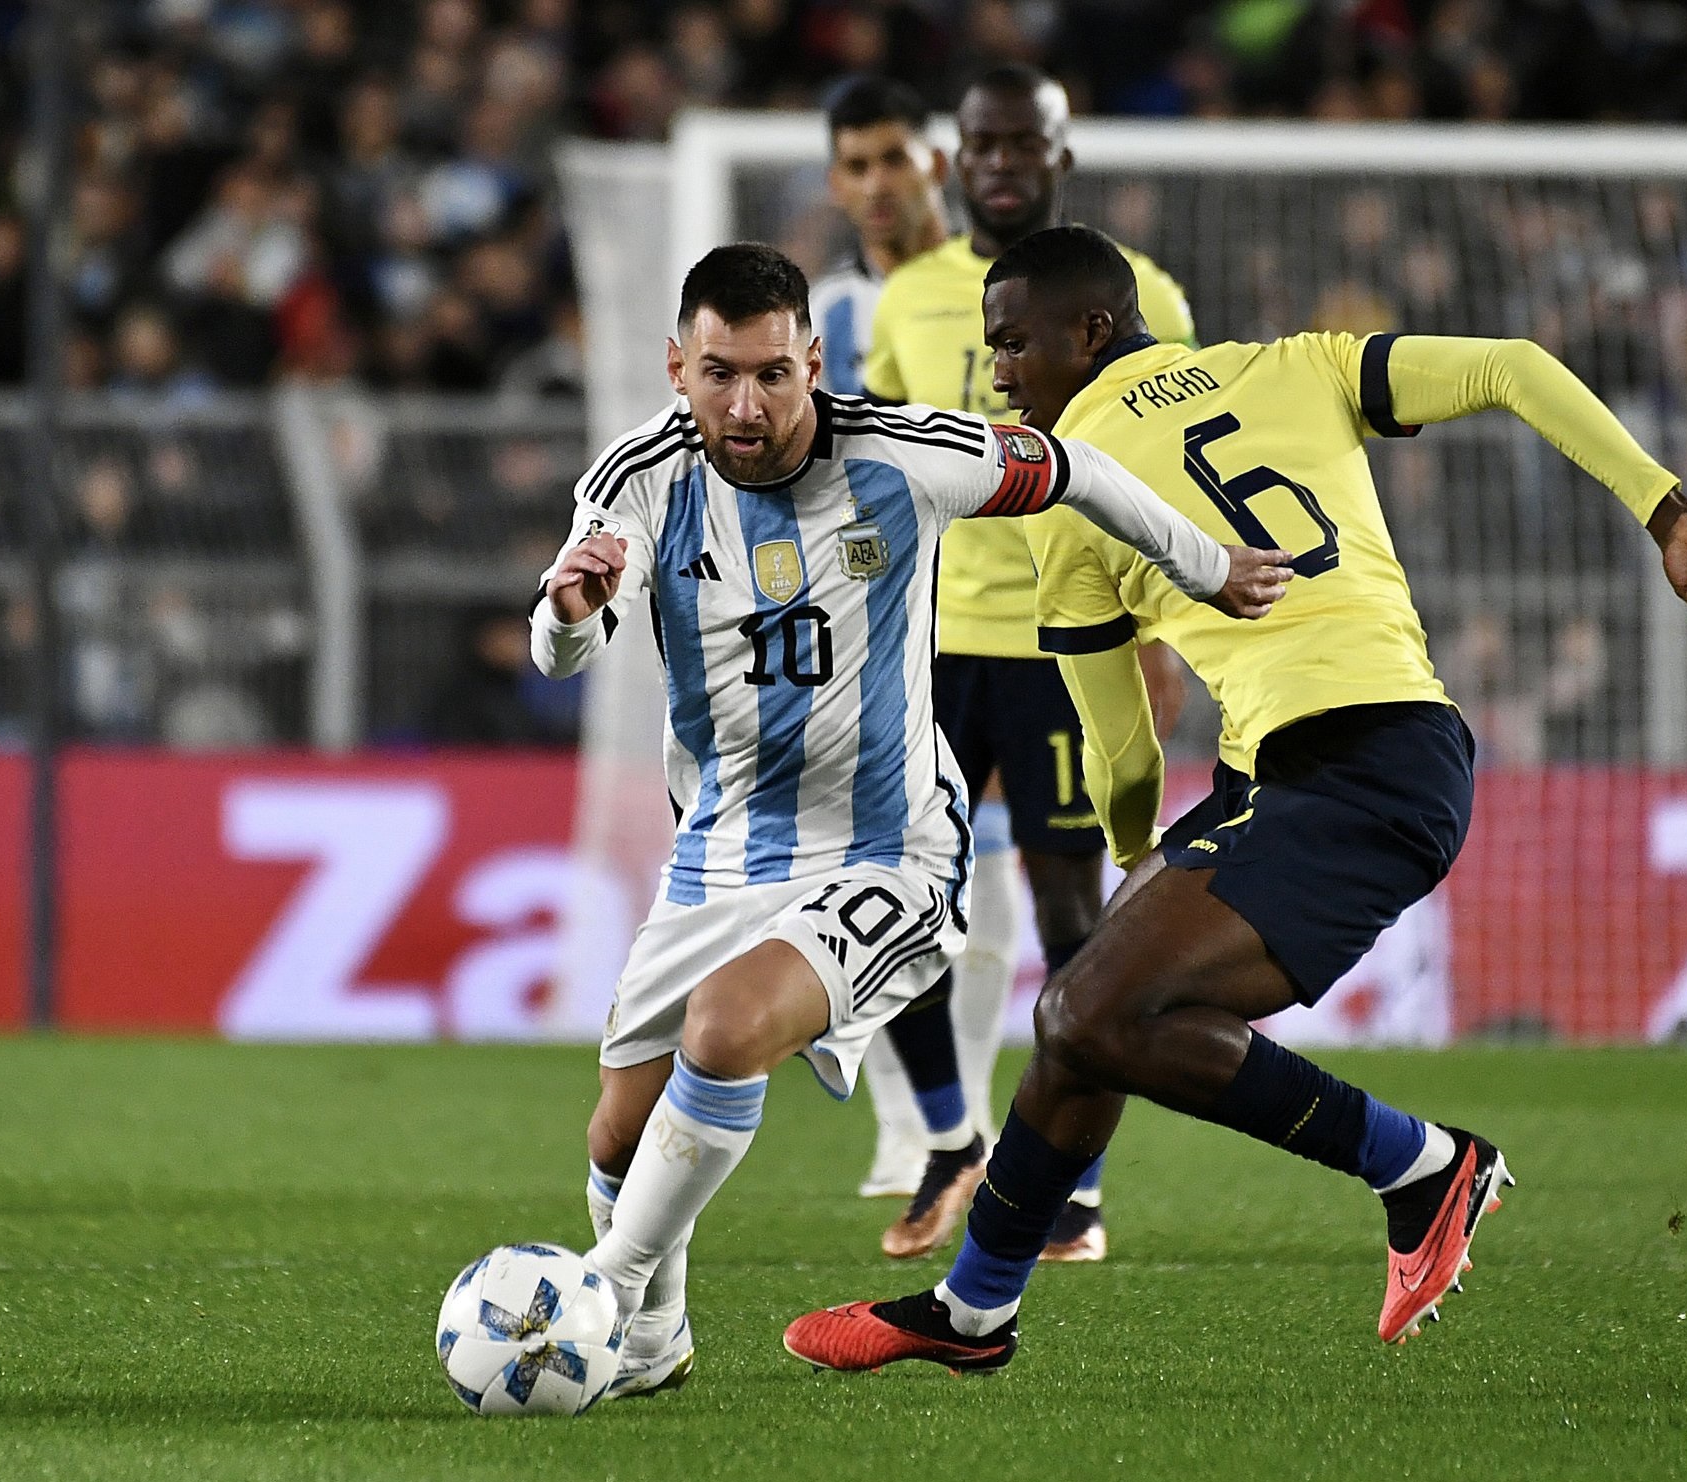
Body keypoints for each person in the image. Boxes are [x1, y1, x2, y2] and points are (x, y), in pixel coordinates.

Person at [783, 225, 1687, 1370]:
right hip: (1356, 756)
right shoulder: (1295, 364)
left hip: (1354, 775)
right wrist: (1663, 510)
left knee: (1085, 1012)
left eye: (1013, 343)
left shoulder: (1072, 494)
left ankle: (1419, 1165)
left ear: (1095, 330)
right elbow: (1512, 365)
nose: (999, 371)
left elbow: (1115, 739)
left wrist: (1131, 846)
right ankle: (972, 1311)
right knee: (1080, 1026)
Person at [534, 241, 1289, 1399]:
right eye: (720, 374)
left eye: (773, 375)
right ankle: (650, 1341)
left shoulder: (904, 453)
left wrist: (1202, 567)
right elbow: (569, 632)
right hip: (720, 845)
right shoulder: (635, 476)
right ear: (676, 366)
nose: (747, 405)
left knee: (728, 1029)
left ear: (814, 361)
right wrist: (569, 614)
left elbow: (1074, 468)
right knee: (615, 1141)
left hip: (888, 843)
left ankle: (601, 1291)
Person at [854, 62, 1196, 1263]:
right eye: (981, 144)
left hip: (1066, 642)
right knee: (883, 899)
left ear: (1061, 153)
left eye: (1022, 144)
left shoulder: (1137, 290)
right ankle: (950, 1143)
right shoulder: (905, 299)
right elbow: (879, 467)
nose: (1000, 162)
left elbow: (1163, 477)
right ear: (956, 159)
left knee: (1072, 917)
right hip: (928, 646)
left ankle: (1075, 1190)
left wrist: (1154, 639)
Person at [809, 75, 1025, 1212]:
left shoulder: (1010, 291)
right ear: (835, 180)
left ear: (933, 164)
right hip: (874, 633)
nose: (876, 184)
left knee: (986, 870)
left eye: (893, 157)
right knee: (883, 878)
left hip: (1007, 624)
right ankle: (915, 1130)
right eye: (854, 165)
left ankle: (964, 1120)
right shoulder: (822, 322)